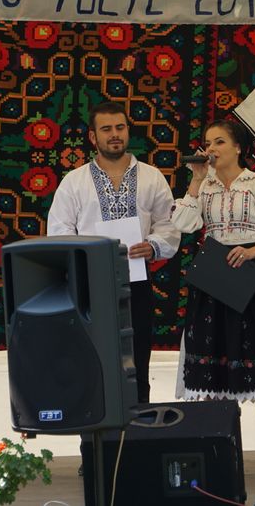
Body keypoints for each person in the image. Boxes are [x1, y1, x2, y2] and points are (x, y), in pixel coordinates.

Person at [171, 119, 255, 445]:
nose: (210, 149)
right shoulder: (204, 186)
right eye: (208, 143)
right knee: (212, 369)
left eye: (219, 142)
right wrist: (196, 179)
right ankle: (219, 450)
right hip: (213, 279)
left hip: (250, 280)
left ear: (238, 147)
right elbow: (182, 222)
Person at [47, 101, 179, 404]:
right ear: (93, 137)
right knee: (91, 362)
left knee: (137, 363)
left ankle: (139, 427)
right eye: (106, 129)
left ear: (128, 131)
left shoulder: (151, 177)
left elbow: (168, 225)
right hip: (89, 286)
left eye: (120, 127)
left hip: (136, 284)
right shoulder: (74, 182)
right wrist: (84, 257)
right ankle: (95, 431)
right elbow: (59, 231)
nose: (115, 134)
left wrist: (153, 245)